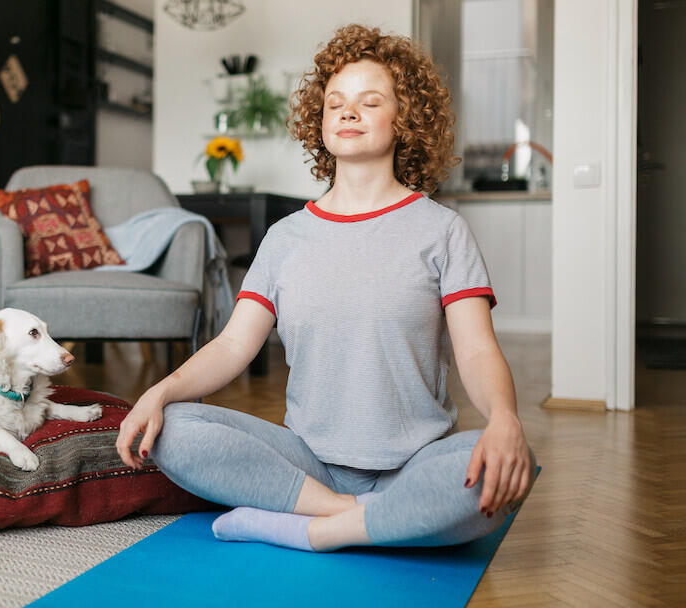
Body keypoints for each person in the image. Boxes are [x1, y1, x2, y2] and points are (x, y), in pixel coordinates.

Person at [114, 24, 536, 552]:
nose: (347, 112)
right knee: (173, 428)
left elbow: (476, 350)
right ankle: (365, 518)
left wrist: (504, 420)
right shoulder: (285, 237)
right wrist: (159, 391)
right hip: (307, 463)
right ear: (320, 118)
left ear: (405, 118)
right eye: (335, 102)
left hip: (415, 463)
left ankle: (310, 530)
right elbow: (232, 346)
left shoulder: (442, 230)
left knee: (511, 464)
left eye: (370, 100)